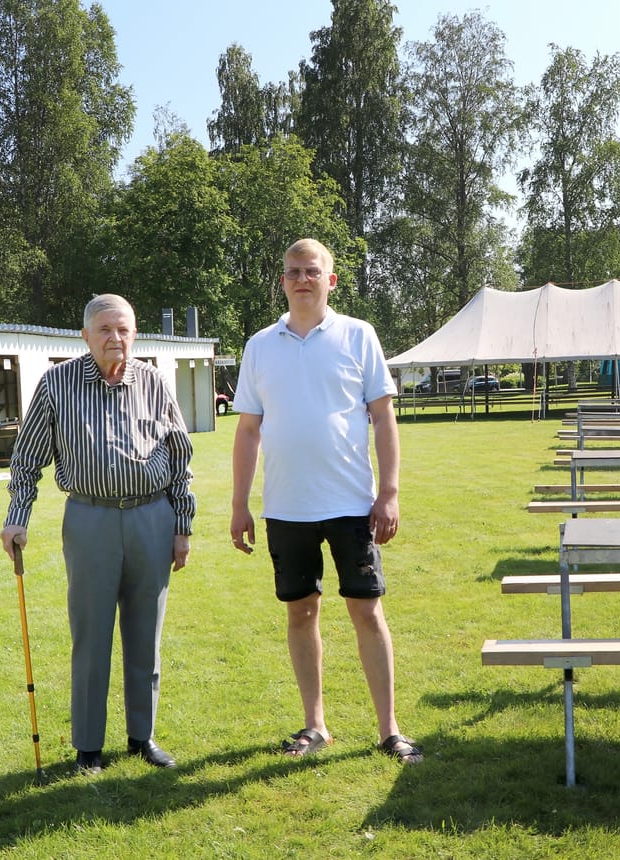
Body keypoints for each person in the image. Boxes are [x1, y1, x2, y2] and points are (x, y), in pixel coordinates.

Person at [229, 238, 422, 764]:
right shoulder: (259, 346)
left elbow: (384, 417)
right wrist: (239, 504)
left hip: (351, 505)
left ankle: (389, 730)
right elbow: (248, 431)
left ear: (330, 280)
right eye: (292, 271)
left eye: (311, 271)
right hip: (286, 507)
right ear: (283, 280)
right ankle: (314, 726)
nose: (301, 279)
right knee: (301, 613)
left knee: (367, 611)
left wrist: (389, 492)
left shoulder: (359, 336)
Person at [0, 294, 195, 776]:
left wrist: (182, 527)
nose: (116, 339)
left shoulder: (153, 382)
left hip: (153, 518)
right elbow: (26, 461)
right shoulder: (57, 384)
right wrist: (17, 517)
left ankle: (141, 738)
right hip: (90, 520)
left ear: (135, 333)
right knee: (90, 636)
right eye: (105, 329)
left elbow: (180, 459)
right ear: (85, 336)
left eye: (124, 329)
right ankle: (88, 747)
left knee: (145, 635)